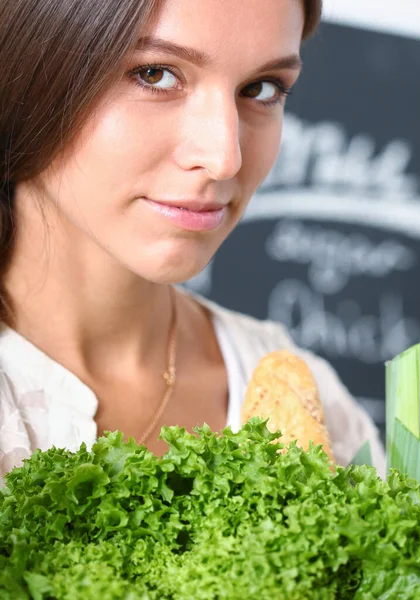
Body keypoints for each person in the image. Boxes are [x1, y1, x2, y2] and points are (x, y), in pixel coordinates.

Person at [0, 0, 385, 481]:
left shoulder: (309, 402)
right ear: (25, 69)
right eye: (156, 74)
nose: (226, 157)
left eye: (262, 88)